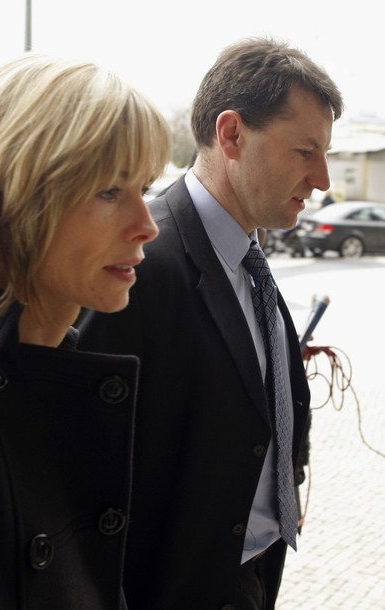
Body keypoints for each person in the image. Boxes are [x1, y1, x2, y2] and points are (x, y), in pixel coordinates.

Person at [76, 36, 344, 609]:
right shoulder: (138, 265)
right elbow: (82, 480)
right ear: (231, 135)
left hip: (253, 571)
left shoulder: (248, 253)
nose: (322, 178)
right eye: (305, 152)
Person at [0, 52, 171, 610]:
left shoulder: (62, 372)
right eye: (110, 191)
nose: (147, 225)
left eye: (145, 189)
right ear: (13, 196)